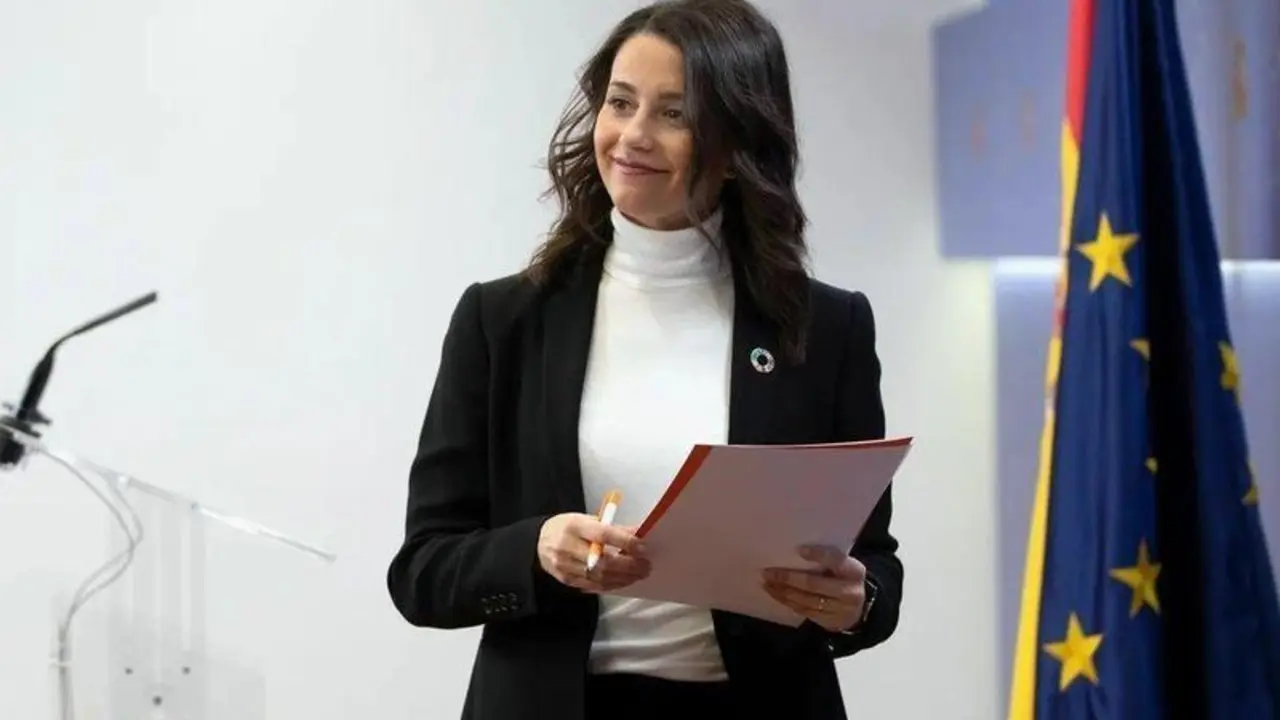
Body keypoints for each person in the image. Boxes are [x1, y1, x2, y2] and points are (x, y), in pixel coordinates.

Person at [386, 1, 902, 717]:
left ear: (734, 147)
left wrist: (855, 601)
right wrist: (536, 548)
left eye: (674, 114)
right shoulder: (502, 320)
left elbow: (874, 564)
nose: (632, 136)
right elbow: (422, 572)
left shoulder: (828, 327)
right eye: (619, 103)